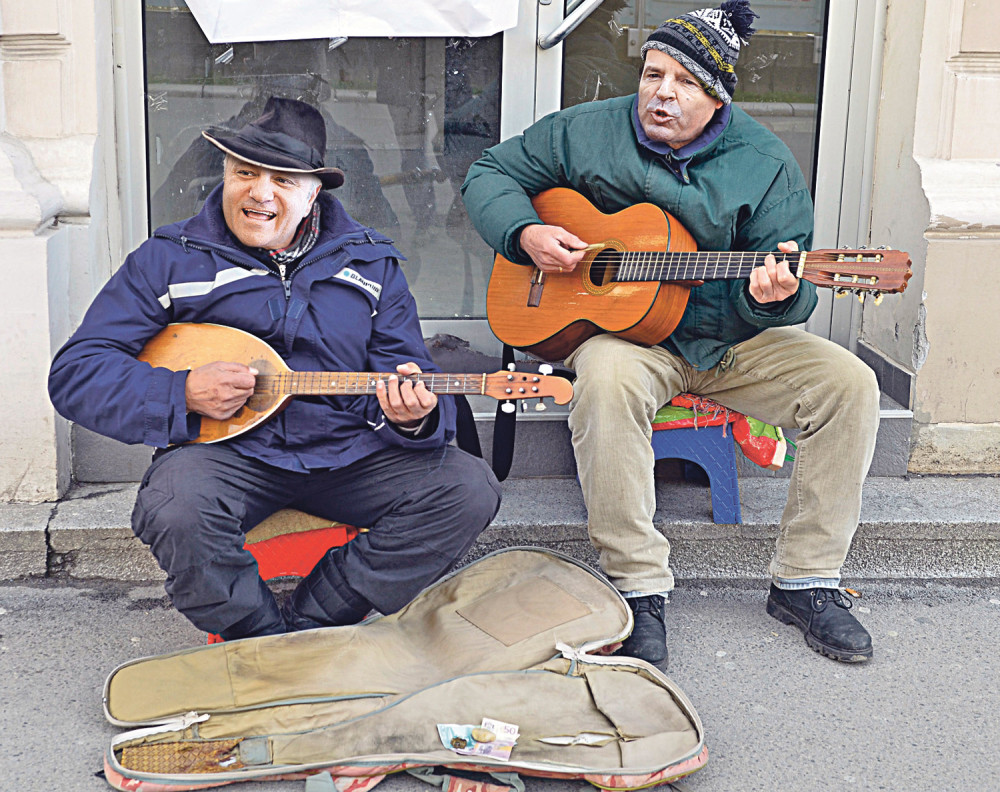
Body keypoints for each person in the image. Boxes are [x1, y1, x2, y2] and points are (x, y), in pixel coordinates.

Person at [462, 1, 879, 669]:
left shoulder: (764, 162)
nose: (661, 93)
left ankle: (806, 582)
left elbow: (789, 283)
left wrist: (777, 295)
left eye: (684, 83)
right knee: (603, 377)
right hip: (633, 340)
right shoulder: (586, 131)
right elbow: (492, 173)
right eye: (654, 73)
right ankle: (639, 587)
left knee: (850, 385)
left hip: (731, 340)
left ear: (716, 97)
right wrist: (526, 232)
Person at [49, 97, 501, 641]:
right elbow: (77, 372)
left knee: (468, 487)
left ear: (313, 194)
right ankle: (256, 637)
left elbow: (400, 373)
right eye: (244, 173)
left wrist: (411, 419)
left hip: (348, 452)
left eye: (283, 180)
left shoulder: (372, 263)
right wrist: (182, 392)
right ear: (224, 174)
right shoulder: (168, 258)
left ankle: (317, 618)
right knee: (175, 508)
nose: (259, 193)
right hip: (229, 454)